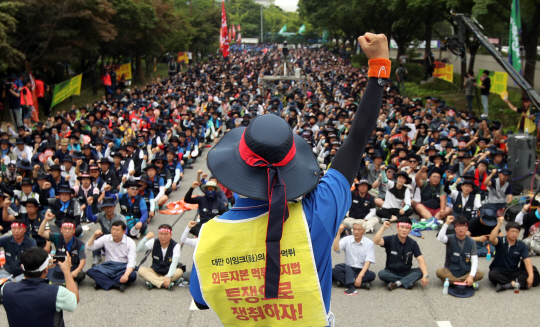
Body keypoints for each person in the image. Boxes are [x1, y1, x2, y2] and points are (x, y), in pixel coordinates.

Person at [189, 33, 389, 326]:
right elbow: (356, 141)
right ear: (293, 165)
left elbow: (200, 300)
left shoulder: (209, 238)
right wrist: (379, 67)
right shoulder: (317, 213)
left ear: (230, 175)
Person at [1, 247, 79, 327]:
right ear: (46, 269)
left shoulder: (6, 289)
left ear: (22, 267)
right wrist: (67, 272)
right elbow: (74, 300)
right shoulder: (57, 292)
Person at [373, 219, 429, 290]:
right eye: (402, 227)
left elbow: (421, 260)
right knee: (382, 274)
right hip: (391, 271)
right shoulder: (390, 239)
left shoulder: (413, 243)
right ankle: (407, 281)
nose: (404, 230)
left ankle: (396, 283)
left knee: (421, 271)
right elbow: (376, 241)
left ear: (410, 230)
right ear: (397, 228)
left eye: (407, 228)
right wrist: (383, 227)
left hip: (406, 272)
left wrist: (425, 275)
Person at [86, 221, 137, 292]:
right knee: (91, 271)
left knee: (132, 275)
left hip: (122, 266)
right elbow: (89, 247)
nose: (114, 232)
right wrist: (94, 236)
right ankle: (116, 285)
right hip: (108, 266)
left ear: (124, 231)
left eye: (117, 230)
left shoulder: (130, 242)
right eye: (113, 229)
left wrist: (126, 275)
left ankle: (101, 282)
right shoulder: (106, 238)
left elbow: (131, 262)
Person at [488, 217, 535, 292]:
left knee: (532, 273)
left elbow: (527, 260)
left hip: (513, 271)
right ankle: (515, 283)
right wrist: (499, 223)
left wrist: (531, 276)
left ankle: (507, 285)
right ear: (507, 232)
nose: (514, 233)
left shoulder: (521, 245)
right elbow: (492, 238)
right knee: (492, 275)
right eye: (512, 231)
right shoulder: (501, 241)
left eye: (516, 232)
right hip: (499, 271)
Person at [38, 212, 86, 283]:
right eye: (65, 228)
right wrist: (45, 219)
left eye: (70, 229)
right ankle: (66, 279)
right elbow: (41, 233)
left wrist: (76, 271)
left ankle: (65, 279)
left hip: (72, 268)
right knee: (44, 272)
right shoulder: (57, 237)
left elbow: (83, 261)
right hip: (59, 268)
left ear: (74, 230)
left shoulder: (79, 243)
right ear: (61, 229)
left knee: (81, 275)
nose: (67, 231)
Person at [436, 216, 483, 287]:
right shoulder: (450, 238)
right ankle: (463, 283)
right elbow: (440, 238)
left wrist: (470, 276)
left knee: (480, 274)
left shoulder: (471, 242)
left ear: (467, 228)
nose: (461, 228)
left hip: (466, 271)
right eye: (458, 226)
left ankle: (454, 282)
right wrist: (446, 223)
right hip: (451, 271)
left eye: (463, 226)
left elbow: (475, 261)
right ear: (455, 228)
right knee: (439, 272)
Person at [332, 220, 376, 295]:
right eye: (354, 229)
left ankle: (345, 283)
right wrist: (338, 233)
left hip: (360, 270)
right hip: (348, 268)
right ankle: (360, 284)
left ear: (364, 231)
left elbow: (368, 261)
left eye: (358, 230)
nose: (356, 232)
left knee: (372, 275)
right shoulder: (347, 239)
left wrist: (360, 276)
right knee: (334, 271)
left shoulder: (369, 243)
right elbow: (336, 249)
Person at [136, 225, 184, 290]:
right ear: (158, 234)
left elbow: (174, 263)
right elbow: (139, 249)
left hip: (169, 272)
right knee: (141, 270)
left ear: (170, 235)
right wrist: (146, 238)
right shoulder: (153, 242)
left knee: (179, 272)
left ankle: (153, 282)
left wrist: (169, 276)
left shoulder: (176, 246)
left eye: (166, 234)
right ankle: (163, 283)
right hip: (155, 271)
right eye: (161, 234)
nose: (163, 237)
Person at [85, 196, 126, 266]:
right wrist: (89, 205)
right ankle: (96, 256)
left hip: (117, 243)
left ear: (114, 207)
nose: (109, 209)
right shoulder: (101, 216)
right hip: (106, 242)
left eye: (110, 207)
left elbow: (125, 232)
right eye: (106, 207)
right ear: (103, 208)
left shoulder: (120, 217)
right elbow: (90, 217)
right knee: (98, 235)